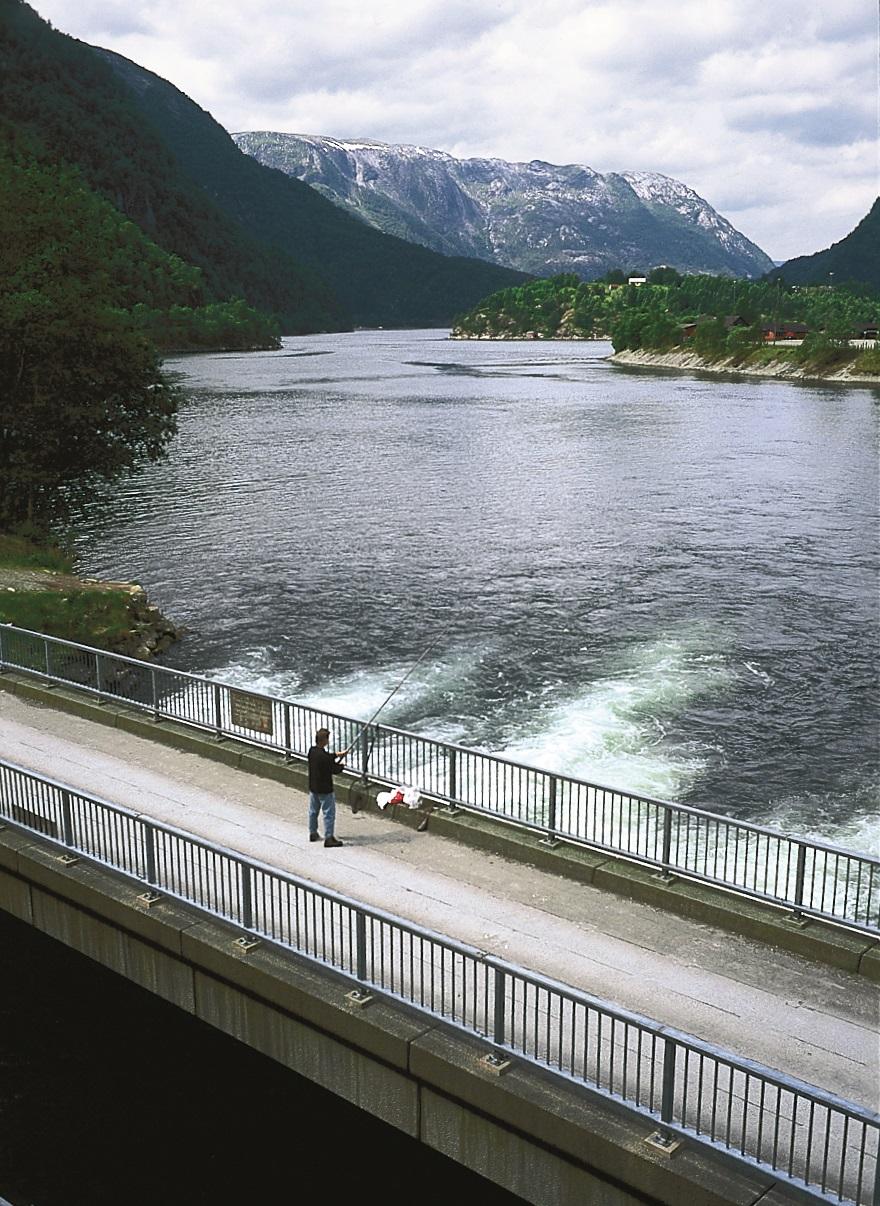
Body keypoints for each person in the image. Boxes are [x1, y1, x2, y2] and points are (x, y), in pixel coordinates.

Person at [307, 728, 345, 847]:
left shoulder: (312, 751)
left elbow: (327, 757)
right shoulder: (324, 758)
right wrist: (342, 766)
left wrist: (336, 755)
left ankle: (313, 833)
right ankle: (329, 838)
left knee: (313, 812)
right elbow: (334, 769)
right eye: (327, 738)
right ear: (324, 740)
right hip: (325, 790)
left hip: (314, 788)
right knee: (328, 814)